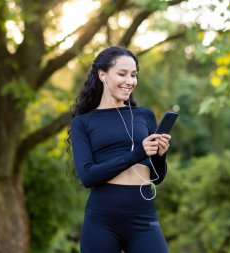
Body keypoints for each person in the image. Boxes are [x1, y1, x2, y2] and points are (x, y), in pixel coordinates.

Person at [69, 46, 171, 253]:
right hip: (102, 220)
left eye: (133, 75)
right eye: (122, 74)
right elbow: (88, 176)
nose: (129, 81)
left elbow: (157, 177)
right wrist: (138, 153)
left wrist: (160, 155)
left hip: (143, 216)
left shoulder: (145, 116)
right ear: (102, 75)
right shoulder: (82, 122)